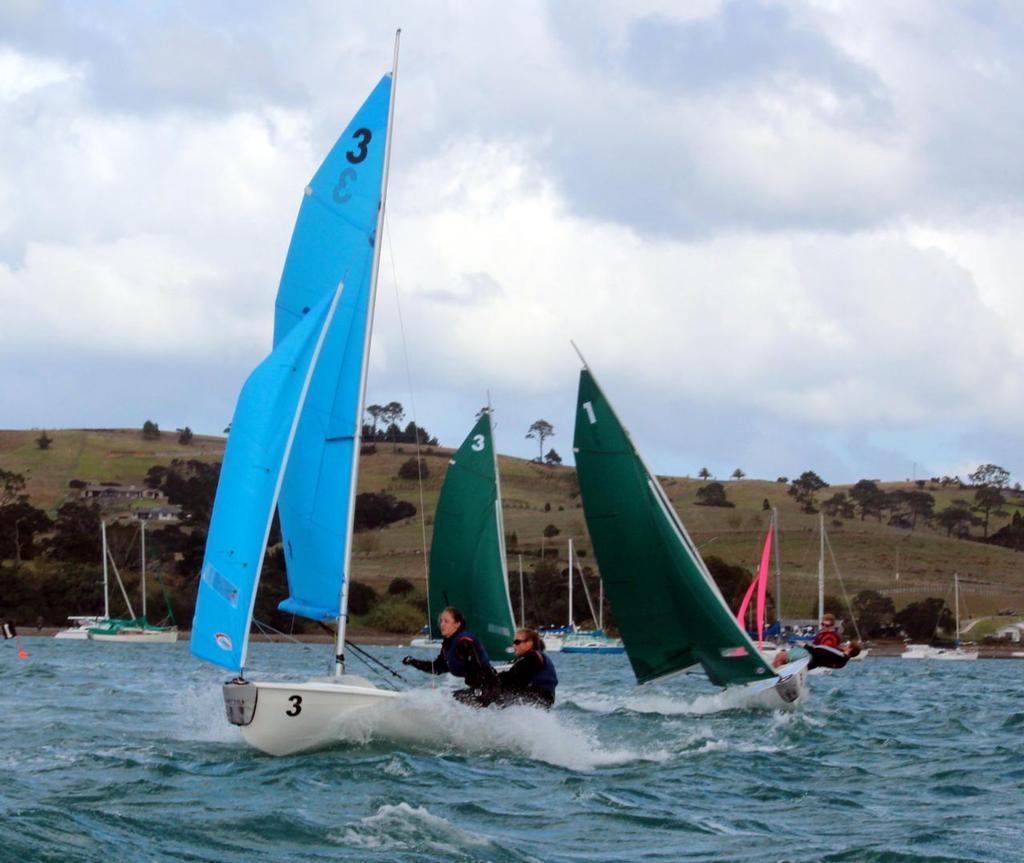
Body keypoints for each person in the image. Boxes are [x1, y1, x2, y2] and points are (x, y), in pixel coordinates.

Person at [402, 607, 497, 704]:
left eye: (446, 621)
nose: (442, 624)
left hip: (488, 688)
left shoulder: (464, 642)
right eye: (441, 621)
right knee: (449, 698)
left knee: (451, 700)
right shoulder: (448, 645)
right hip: (478, 689)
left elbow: (479, 668)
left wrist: (478, 692)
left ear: (457, 624)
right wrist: (413, 662)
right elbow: (437, 668)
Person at [487, 628, 558, 709]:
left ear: (529, 643)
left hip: (536, 698)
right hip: (543, 700)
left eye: (517, 642)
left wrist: (490, 678)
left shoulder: (532, 658)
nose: (514, 645)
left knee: (486, 693)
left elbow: (513, 677)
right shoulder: (538, 657)